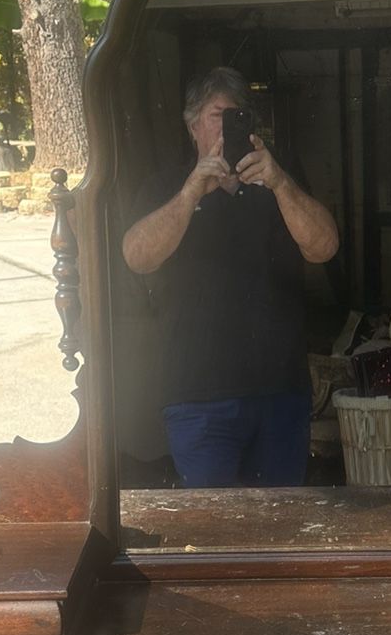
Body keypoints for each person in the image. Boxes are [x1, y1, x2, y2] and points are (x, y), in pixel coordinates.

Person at [122, 67, 339, 486]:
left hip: (281, 393)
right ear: (193, 126)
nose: (228, 127)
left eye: (238, 117)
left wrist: (279, 182)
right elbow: (137, 257)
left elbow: (324, 247)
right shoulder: (168, 184)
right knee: (210, 534)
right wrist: (190, 194)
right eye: (218, 115)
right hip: (198, 399)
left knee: (280, 527)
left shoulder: (280, 177)